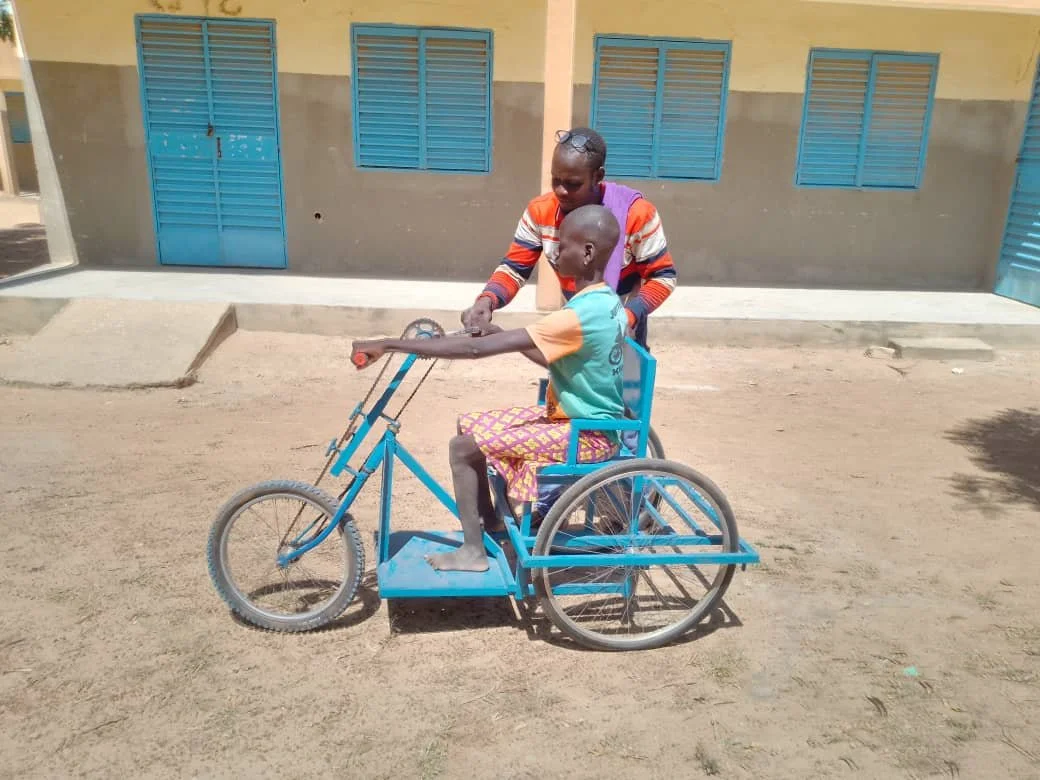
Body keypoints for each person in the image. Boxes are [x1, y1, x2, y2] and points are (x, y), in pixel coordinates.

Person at [351, 205, 627, 573]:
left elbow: (474, 348)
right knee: (470, 425)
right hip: (588, 422)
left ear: (588, 252)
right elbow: (561, 359)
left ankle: (472, 551)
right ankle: (492, 524)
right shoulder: (605, 302)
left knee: (462, 449)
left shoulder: (578, 314)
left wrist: (390, 344)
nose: (555, 253)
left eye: (563, 246)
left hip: (585, 435)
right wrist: (501, 335)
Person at [461, 127, 677, 348]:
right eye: (556, 180)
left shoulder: (636, 215)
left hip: (627, 323)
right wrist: (488, 299)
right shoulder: (540, 212)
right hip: (574, 314)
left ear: (598, 176)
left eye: (573, 184)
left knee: (622, 381)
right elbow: (515, 268)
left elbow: (662, 277)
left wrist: (627, 317)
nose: (561, 191)